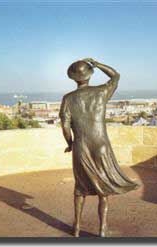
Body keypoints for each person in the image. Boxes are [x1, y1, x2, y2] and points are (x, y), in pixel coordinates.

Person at [59, 58, 140, 237]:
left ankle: (77, 227)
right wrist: (97, 64)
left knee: (80, 188)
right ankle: (102, 229)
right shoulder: (101, 92)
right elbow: (116, 76)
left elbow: (65, 127)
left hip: (82, 146)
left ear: (73, 78)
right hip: (101, 144)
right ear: (89, 75)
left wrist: (70, 144)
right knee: (103, 190)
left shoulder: (68, 99)